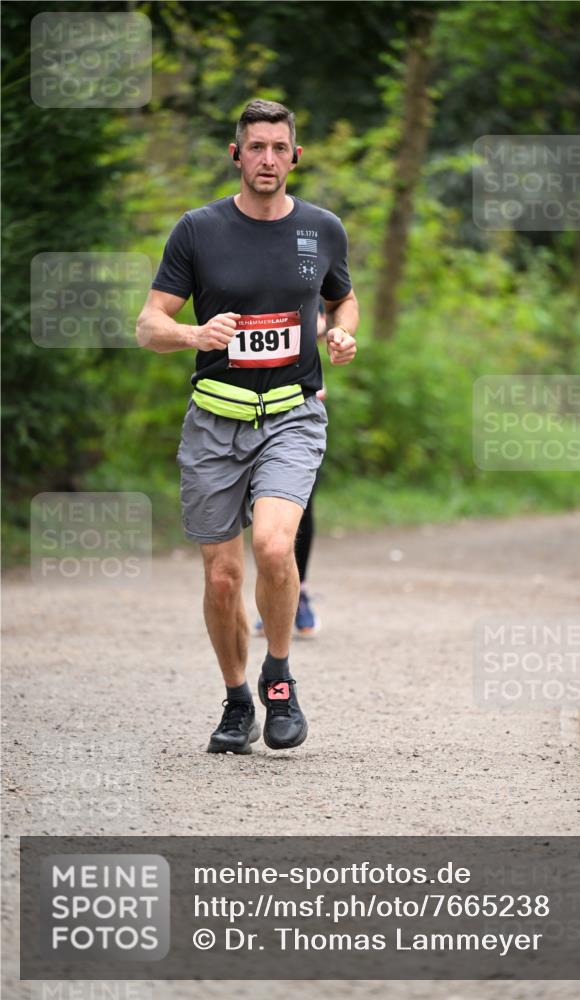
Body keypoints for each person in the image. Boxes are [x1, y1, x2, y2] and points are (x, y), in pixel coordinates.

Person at [136, 99, 358, 755]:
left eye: (278, 148)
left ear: (296, 155)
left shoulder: (321, 228)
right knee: (221, 578)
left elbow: (340, 296)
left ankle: (279, 677)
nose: (267, 159)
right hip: (214, 419)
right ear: (237, 155)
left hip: (292, 412)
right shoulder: (197, 230)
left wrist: (343, 333)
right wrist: (191, 333)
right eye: (255, 147)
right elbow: (148, 324)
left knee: (271, 546)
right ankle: (236, 700)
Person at [253, 303, 327, 640]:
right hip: (237, 407)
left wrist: (322, 329)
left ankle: (300, 594)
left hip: (299, 406)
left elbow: (328, 315)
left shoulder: (306, 257)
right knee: (259, 512)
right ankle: (273, 597)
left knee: (300, 504)